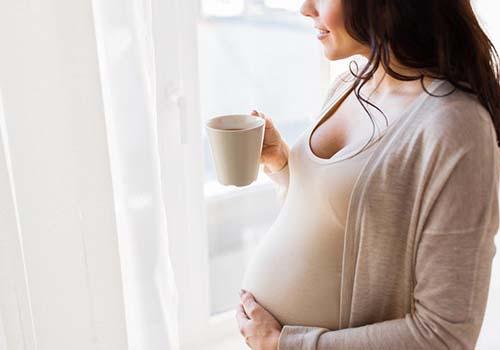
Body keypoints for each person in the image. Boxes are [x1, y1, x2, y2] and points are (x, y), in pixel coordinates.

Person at [235, 0, 500, 349]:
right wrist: (282, 163)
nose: (305, 8)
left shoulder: (456, 126)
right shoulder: (353, 83)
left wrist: (285, 344)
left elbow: (444, 335)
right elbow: (343, 224)